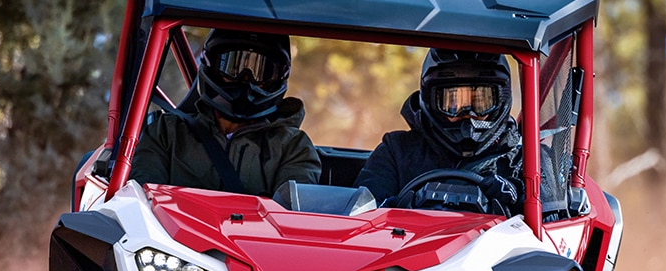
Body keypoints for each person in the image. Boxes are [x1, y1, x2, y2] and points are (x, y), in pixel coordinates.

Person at [131, 29, 321, 196]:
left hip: (253, 237)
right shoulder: (166, 133)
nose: (245, 79)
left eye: (261, 70)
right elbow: (142, 204)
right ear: (212, 66)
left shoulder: (293, 146)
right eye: (233, 66)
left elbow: (292, 218)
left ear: (278, 77)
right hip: (169, 237)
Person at [353, 49, 524, 215]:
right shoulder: (396, 150)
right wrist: (401, 208)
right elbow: (360, 217)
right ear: (432, 100)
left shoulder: (524, 161)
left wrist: (518, 202)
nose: (468, 113)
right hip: (410, 243)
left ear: (501, 98)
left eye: (481, 101)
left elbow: (547, 231)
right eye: (453, 101)